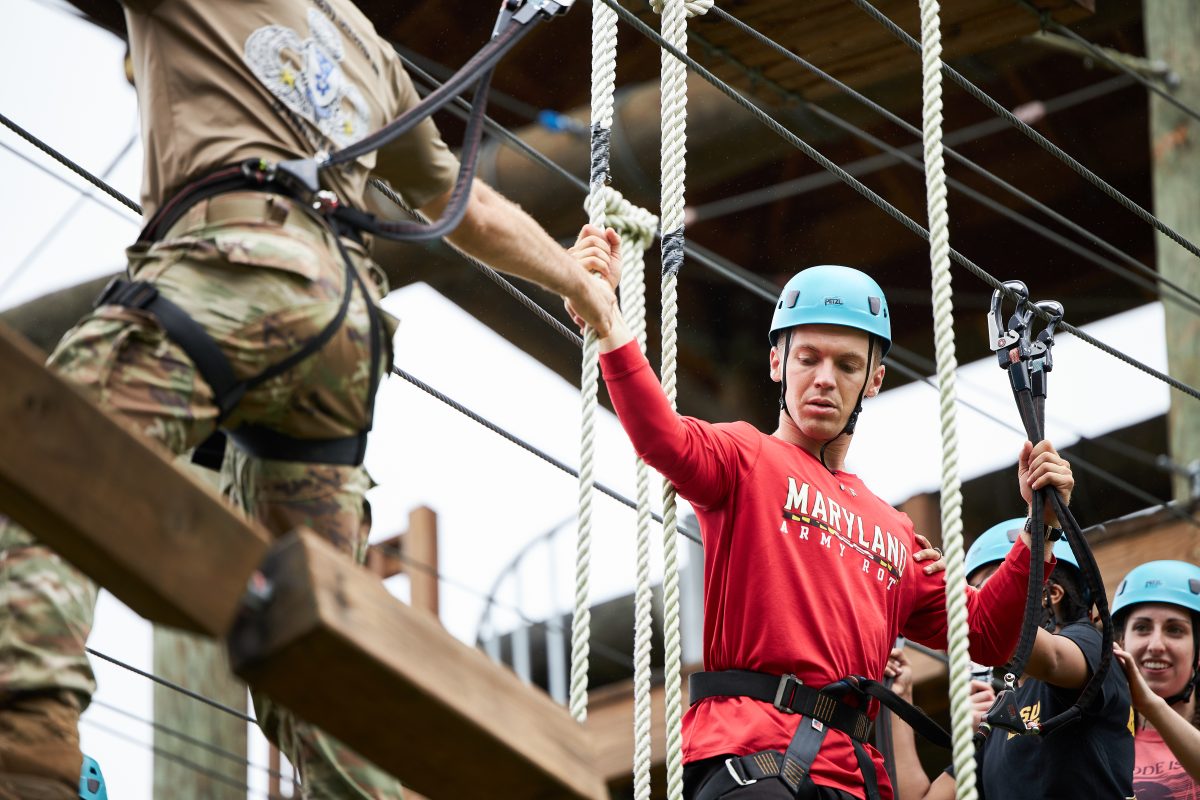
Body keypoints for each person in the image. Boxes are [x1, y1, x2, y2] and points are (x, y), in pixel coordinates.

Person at [0, 2, 616, 798]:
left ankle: (27, 740)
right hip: (342, 328)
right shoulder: (367, 48)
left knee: (48, 455)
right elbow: (474, 209)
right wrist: (578, 281)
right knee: (315, 644)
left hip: (234, 265)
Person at [569, 226, 1074, 800]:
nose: (825, 379)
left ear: (874, 381)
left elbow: (984, 634)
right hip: (753, 759)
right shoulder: (745, 457)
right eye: (807, 357)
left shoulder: (895, 531)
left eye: (848, 365)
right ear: (776, 363)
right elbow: (661, 437)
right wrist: (608, 322)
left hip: (854, 779)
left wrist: (1039, 530)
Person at [906, 519, 1134, 800]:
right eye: (976, 593)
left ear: (1051, 594)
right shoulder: (1000, 716)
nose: (980, 603)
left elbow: (1051, 659)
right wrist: (901, 692)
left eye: (991, 590)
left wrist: (944, 597)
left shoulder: (1091, 645)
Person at [1112, 560, 1200, 798]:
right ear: (1121, 643)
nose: (1156, 645)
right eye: (1142, 627)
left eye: (1175, 630)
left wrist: (1151, 705)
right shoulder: (1099, 734)